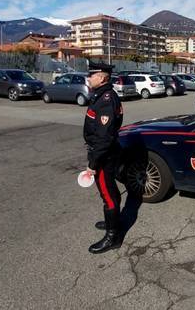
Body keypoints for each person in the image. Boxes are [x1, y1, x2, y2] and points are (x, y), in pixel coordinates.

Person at [83, 62, 124, 254]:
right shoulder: (102, 95)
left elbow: (104, 137)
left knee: (107, 195)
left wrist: (93, 164)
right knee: (112, 192)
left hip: (104, 155)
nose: (89, 78)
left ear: (101, 78)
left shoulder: (106, 99)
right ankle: (113, 220)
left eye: (92, 76)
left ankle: (112, 237)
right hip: (105, 151)